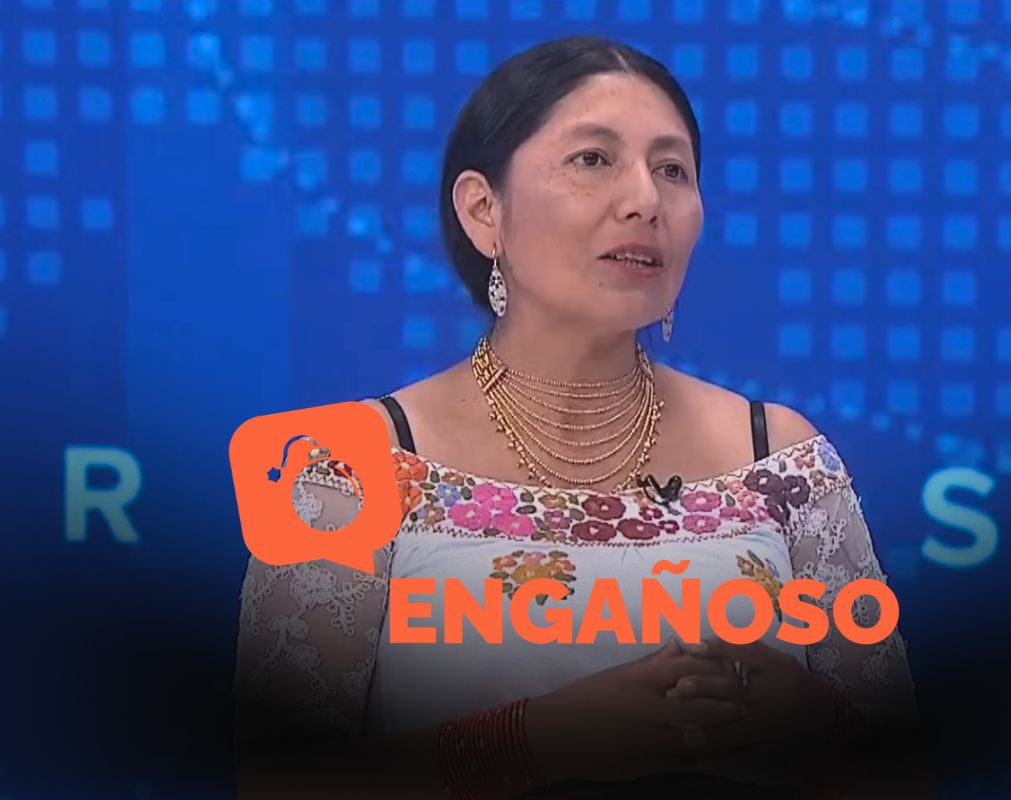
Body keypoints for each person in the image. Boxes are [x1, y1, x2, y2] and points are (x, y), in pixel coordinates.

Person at [233, 35, 930, 799]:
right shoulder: (342, 465)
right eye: (593, 159)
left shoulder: (781, 458)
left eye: (672, 170)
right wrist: (540, 740)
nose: (644, 200)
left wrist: (809, 728)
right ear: (483, 210)